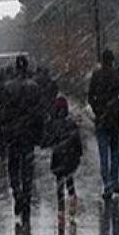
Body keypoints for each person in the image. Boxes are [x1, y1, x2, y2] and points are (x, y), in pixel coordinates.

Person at [0, 55, 42, 222]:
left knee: (13, 166)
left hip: (13, 134)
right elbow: (38, 113)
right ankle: (26, 195)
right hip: (28, 133)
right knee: (27, 168)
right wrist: (39, 134)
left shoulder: (8, 87)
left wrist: (4, 132)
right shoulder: (34, 87)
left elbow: (4, 113)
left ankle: (17, 192)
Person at [88, 49, 119, 199]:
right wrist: (117, 111)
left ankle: (107, 184)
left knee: (103, 153)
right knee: (115, 151)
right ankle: (115, 181)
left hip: (101, 119)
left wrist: (97, 111)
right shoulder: (117, 75)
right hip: (114, 119)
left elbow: (90, 96)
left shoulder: (96, 75)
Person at [44, 96, 83, 226]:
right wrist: (78, 155)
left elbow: (47, 141)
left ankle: (61, 209)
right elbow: (77, 143)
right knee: (70, 180)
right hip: (70, 158)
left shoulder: (53, 125)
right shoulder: (71, 124)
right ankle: (72, 198)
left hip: (58, 158)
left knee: (59, 184)